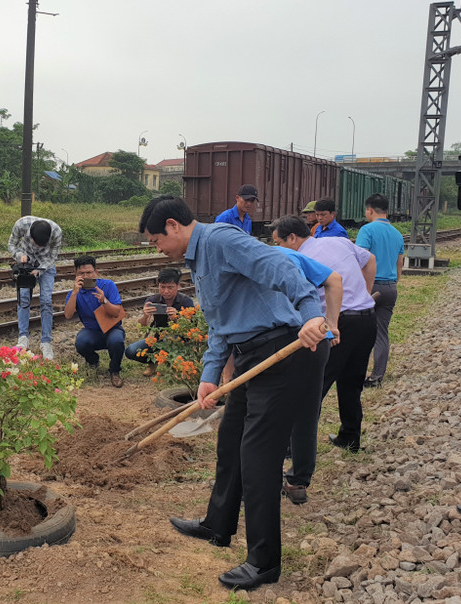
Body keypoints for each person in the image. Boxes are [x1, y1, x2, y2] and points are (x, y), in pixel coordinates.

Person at [139, 195, 327, 590]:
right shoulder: (198, 259)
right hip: (248, 356)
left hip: (280, 352)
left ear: (173, 226)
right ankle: (217, 524)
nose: (157, 249)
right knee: (230, 442)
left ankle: (263, 562)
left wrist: (312, 314)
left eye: (156, 240)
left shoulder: (222, 240)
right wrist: (209, 375)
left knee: (258, 459)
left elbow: (281, 267)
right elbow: (219, 323)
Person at [272, 215, 377, 500]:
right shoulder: (338, 241)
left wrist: (332, 321)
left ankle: (293, 453)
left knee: (310, 392)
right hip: (367, 318)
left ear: (292, 238)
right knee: (352, 382)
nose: (278, 248)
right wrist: (365, 293)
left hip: (337, 325)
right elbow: (370, 260)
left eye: (279, 242)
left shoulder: (300, 259)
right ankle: (350, 436)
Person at [355, 193, 405, 388]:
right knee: (381, 333)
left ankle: (356, 374)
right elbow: (399, 263)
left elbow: (361, 259)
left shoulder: (367, 230)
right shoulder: (397, 233)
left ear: (370, 210)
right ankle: (377, 377)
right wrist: (394, 282)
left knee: (360, 333)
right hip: (390, 287)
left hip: (370, 286)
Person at [64, 255, 126, 388]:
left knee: (117, 341)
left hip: (112, 328)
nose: (86, 276)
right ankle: (93, 361)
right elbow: (68, 315)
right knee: (81, 342)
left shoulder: (108, 285)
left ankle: (115, 370)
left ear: (96, 272)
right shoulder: (74, 292)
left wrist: (104, 301)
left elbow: (116, 312)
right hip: (92, 331)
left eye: (89, 272)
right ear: (76, 274)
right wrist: (74, 293)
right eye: (81, 273)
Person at [8, 216, 63, 360]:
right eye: (36, 243)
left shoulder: (57, 232)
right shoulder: (21, 224)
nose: (38, 247)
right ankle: (23, 337)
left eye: (41, 245)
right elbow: (11, 244)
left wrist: (39, 270)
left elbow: (52, 257)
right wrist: (19, 255)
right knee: (23, 298)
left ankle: (46, 342)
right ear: (30, 236)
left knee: (46, 300)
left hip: (46, 265)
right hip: (26, 263)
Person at [124, 267, 195, 376]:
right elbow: (141, 326)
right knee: (131, 351)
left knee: (169, 339)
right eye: (162, 287)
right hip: (158, 338)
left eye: (170, 287)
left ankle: (178, 365)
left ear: (178, 286)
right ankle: (153, 362)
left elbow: (192, 327)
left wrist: (178, 317)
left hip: (180, 339)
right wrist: (145, 315)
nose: (166, 291)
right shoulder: (153, 300)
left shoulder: (186, 301)